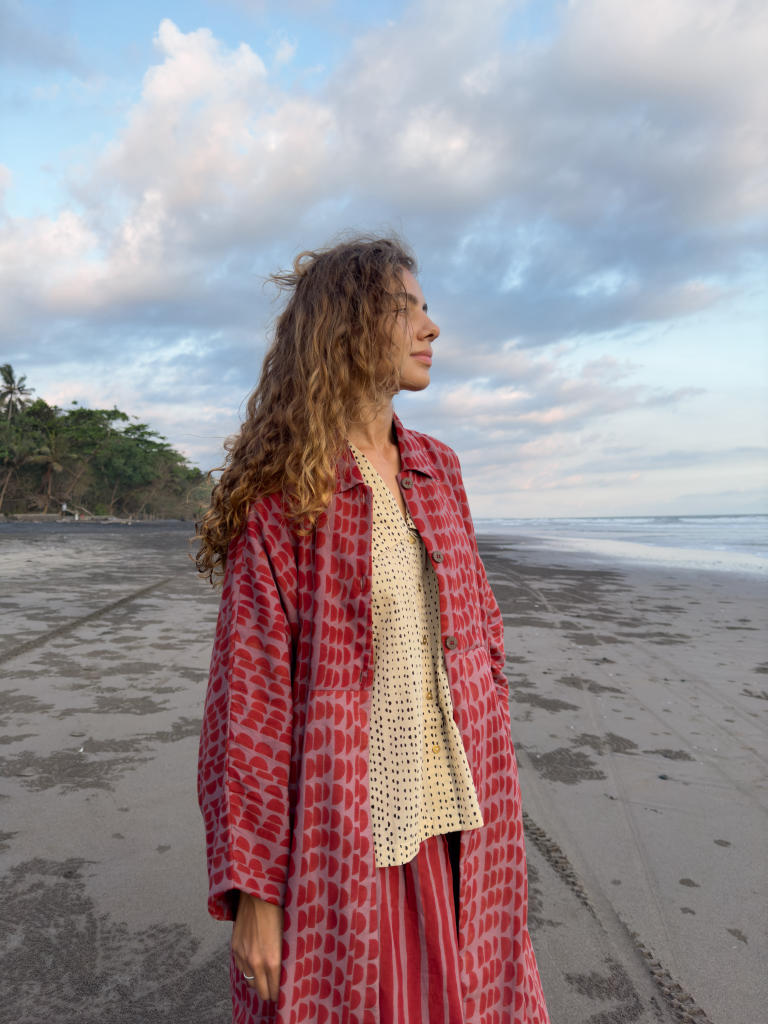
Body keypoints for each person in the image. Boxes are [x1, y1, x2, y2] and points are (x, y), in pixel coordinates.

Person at [196, 236, 550, 1024]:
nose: (432, 327)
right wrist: (255, 895)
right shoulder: (286, 497)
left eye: (427, 309)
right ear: (352, 326)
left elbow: (481, 629)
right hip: (348, 832)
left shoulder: (438, 468)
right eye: (409, 309)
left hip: (467, 817)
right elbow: (247, 705)